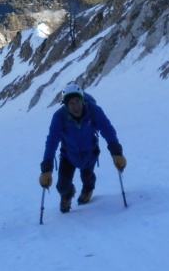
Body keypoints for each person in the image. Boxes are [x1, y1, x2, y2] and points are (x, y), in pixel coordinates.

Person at [39, 83, 126, 213]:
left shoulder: (93, 111)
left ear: (82, 100)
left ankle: (88, 189)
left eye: (78, 101)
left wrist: (116, 153)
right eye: (71, 103)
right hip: (68, 156)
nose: (76, 106)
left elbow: (107, 129)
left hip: (89, 153)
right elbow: (52, 141)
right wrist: (46, 170)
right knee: (62, 186)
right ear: (66, 105)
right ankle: (67, 194)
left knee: (87, 177)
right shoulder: (59, 117)